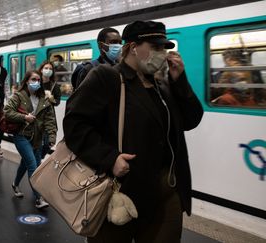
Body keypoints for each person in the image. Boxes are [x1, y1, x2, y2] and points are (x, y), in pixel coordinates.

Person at [63, 21, 203, 243]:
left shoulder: (161, 85)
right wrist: (109, 158)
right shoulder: (106, 78)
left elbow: (191, 120)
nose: (162, 54)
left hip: (166, 193)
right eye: (155, 47)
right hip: (119, 194)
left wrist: (180, 82)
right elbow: (75, 125)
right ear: (133, 47)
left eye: (164, 48)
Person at [4, 70, 57, 209]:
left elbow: (50, 120)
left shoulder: (45, 99)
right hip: (21, 135)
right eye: (33, 79)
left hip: (37, 138)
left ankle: (15, 184)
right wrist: (24, 117)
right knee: (33, 164)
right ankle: (39, 198)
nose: (37, 82)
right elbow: (7, 111)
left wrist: (52, 136)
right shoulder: (19, 96)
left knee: (25, 163)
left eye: (39, 80)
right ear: (27, 81)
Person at [38, 61, 61, 158]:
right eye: (46, 68)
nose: (48, 70)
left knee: (49, 143)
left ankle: (39, 157)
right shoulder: (36, 82)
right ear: (41, 70)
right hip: (37, 116)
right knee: (37, 143)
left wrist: (52, 99)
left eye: (50, 69)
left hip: (49, 117)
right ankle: (35, 161)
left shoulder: (54, 85)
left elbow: (57, 102)